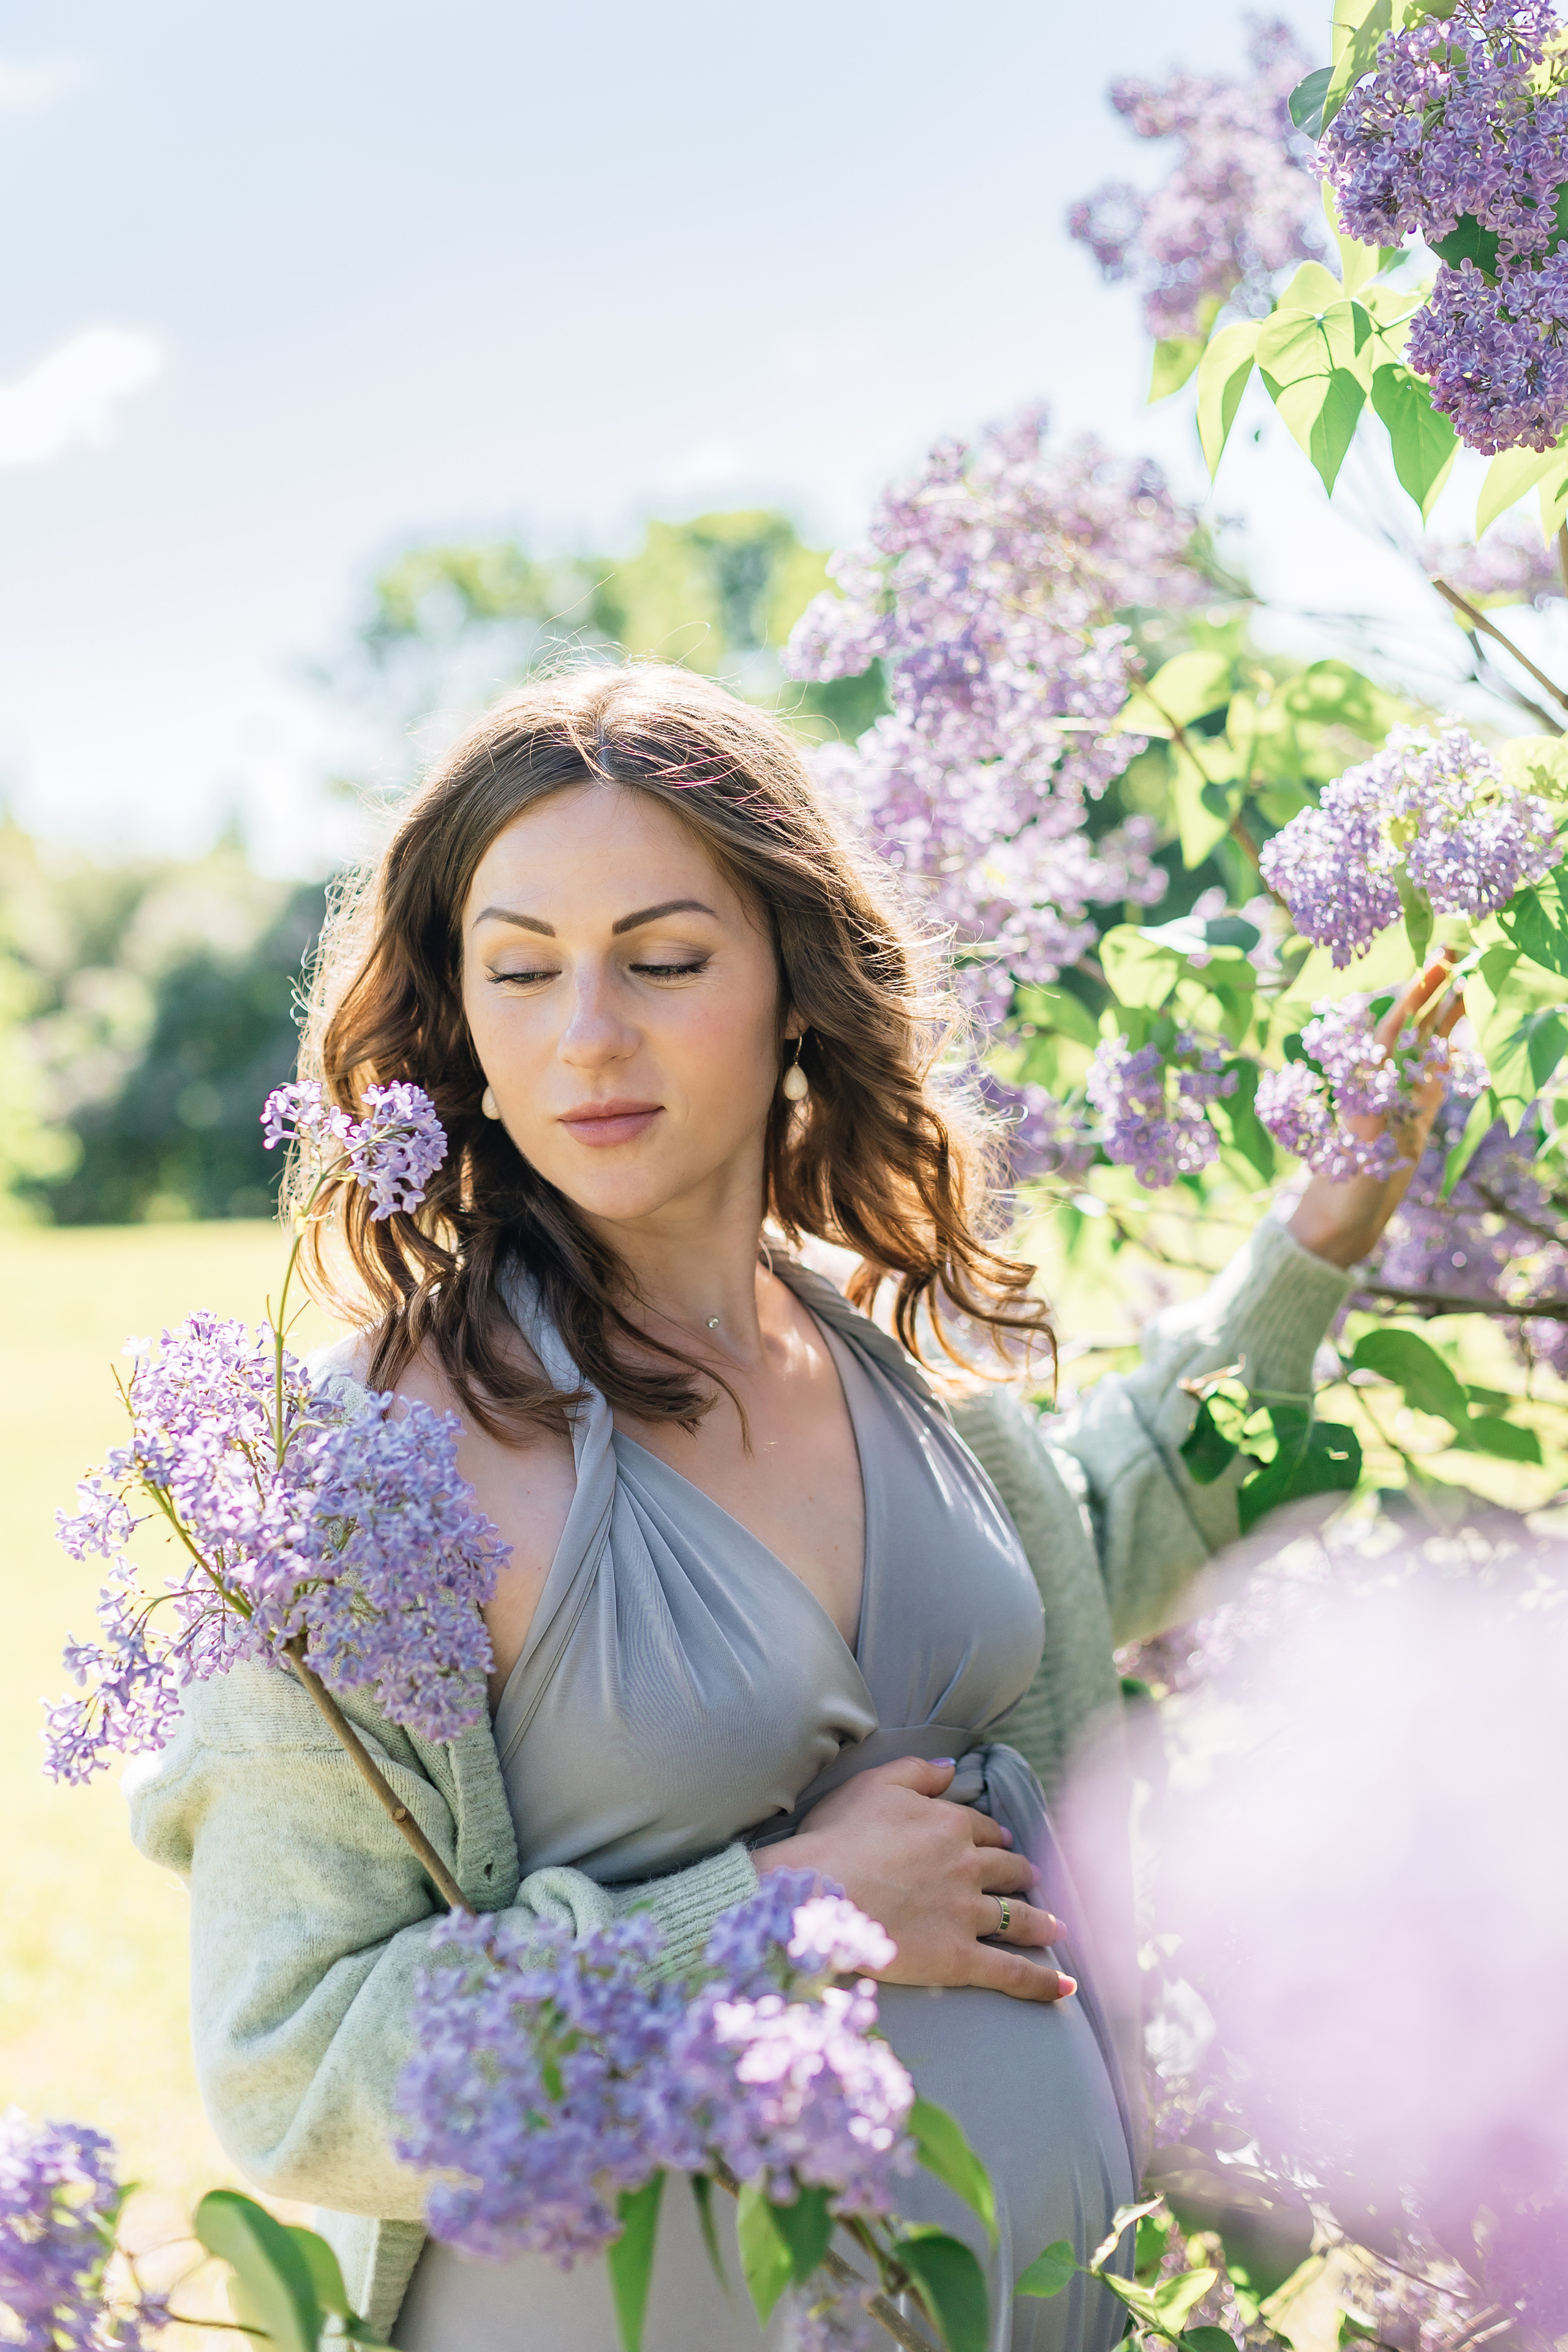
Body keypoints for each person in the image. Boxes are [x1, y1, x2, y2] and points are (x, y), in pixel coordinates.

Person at [130, 665, 1460, 2352]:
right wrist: (781, 1921)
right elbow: (296, 2062)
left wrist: (1319, 1242)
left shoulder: (879, 1358)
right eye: (522, 970)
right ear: (459, 1017)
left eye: (663, 961)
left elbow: (1090, 1547)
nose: (586, 1033)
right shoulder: (370, 1467)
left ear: (794, 981)